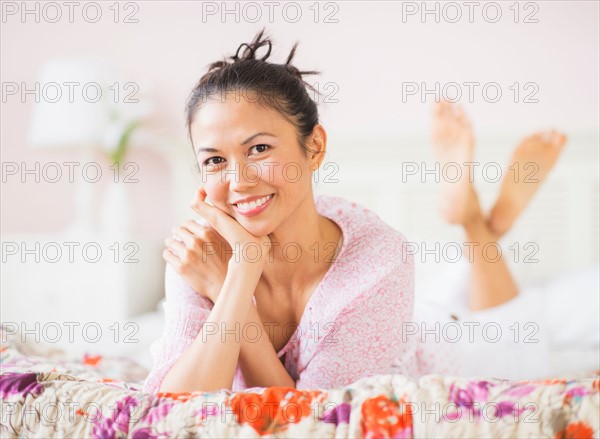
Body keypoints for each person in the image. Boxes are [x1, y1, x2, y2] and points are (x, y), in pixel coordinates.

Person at [143, 29, 421, 393]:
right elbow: (174, 410)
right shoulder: (200, 254)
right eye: (214, 160)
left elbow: (315, 421)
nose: (238, 181)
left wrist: (224, 287)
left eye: (259, 149)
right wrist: (241, 271)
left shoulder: (379, 263)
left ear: (315, 147)